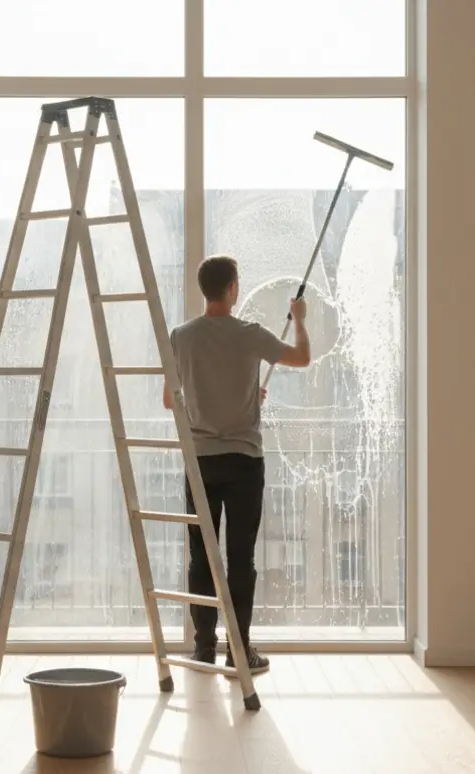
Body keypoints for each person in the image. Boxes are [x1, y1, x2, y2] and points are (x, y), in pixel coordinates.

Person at [164, 254, 311, 675]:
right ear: (231, 289)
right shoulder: (249, 335)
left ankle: (203, 649)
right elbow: (301, 357)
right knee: (240, 558)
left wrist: (222, 397)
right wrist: (297, 317)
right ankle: (240, 649)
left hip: (200, 463)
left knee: (200, 558)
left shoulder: (181, 336)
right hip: (244, 462)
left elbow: (170, 399)